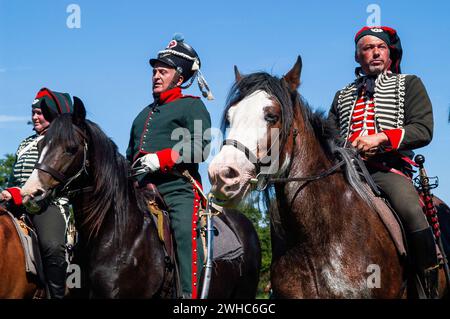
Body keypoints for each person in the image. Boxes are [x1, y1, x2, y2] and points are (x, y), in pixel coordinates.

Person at [328, 26, 438, 298]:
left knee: (410, 209)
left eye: (381, 47)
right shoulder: (342, 95)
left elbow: (423, 129)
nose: (374, 52)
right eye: (367, 48)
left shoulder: (409, 83)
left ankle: (428, 283)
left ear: (390, 53)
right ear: (357, 57)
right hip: (346, 171)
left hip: (386, 169)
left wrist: (380, 138)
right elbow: (327, 135)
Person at [127, 34, 212, 299]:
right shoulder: (142, 115)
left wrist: (160, 159)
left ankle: (188, 298)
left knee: (184, 234)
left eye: (163, 71)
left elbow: (202, 147)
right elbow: (129, 156)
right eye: (154, 71)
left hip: (176, 187)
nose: (156, 75)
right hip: (139, 188)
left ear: (179, 77)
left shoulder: (191, 106)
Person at [1, 88, 74, 299]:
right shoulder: (25, 143)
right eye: (33, 112)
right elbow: (15, 178)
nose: (35, 117)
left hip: (48, 205)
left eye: (40, 112)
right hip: (16, 202)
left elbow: (51, 183)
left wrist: (19, 194)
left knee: (52, 246)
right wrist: (9, 192)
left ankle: (56, 295)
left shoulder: (58, 143)